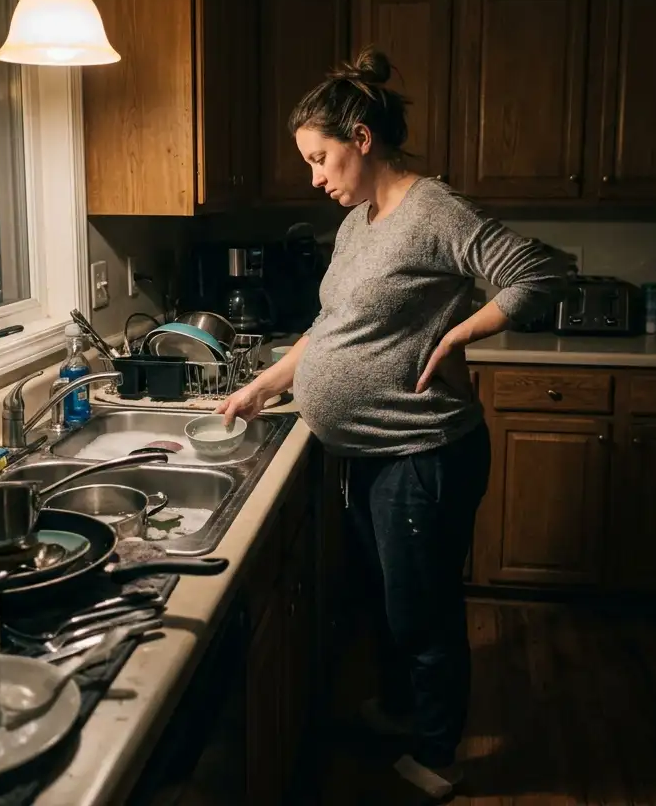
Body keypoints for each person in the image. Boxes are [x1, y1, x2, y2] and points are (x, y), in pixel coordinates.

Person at [216, 47, 568, 800]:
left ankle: (439, 753)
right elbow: (331, 322)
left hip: (424, 452)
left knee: (424, 607)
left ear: (362, 140)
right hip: (374, 454)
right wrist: (266, 386)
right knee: (385, 596)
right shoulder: (358, 222)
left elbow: (539, 271)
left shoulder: (435, 211)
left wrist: (458, 335)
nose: (314, 177)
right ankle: (405, 710)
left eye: (320, 158)